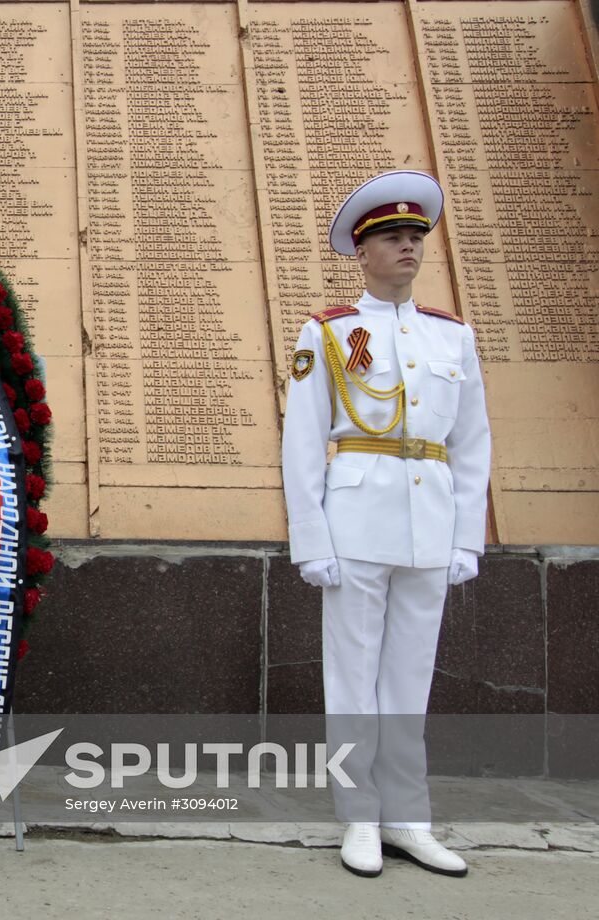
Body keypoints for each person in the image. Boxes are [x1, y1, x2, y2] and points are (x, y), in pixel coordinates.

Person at [281, 170, 491, 878]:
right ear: (362, 251)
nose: (408, 247)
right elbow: (303, 442)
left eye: (415, 237)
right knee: (353, 678)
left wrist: (466, 536)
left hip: (429, 521)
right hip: (356, 522)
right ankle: (360, 818)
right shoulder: (330, 332)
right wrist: (311, 539)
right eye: (393, 237)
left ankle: (408, 818)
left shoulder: (452, 336)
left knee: (408, 680)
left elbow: (472, 442)